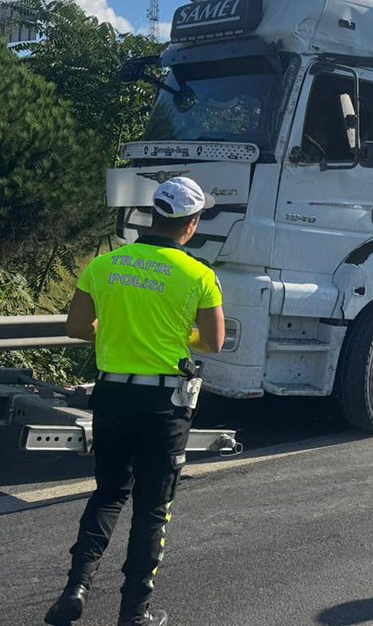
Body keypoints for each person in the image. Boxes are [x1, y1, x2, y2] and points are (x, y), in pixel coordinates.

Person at [46, 177, 225, 626]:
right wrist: (175, 333)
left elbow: (76, 327)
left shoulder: (106, 264)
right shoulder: (199, 275)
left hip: (112, 394)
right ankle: (134, 611)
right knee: (153, 506)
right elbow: (214, 342)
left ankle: (76, 588)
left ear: (155, 214)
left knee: (108, 493)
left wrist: (119, 331)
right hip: (165, 403)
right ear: (192, 223)